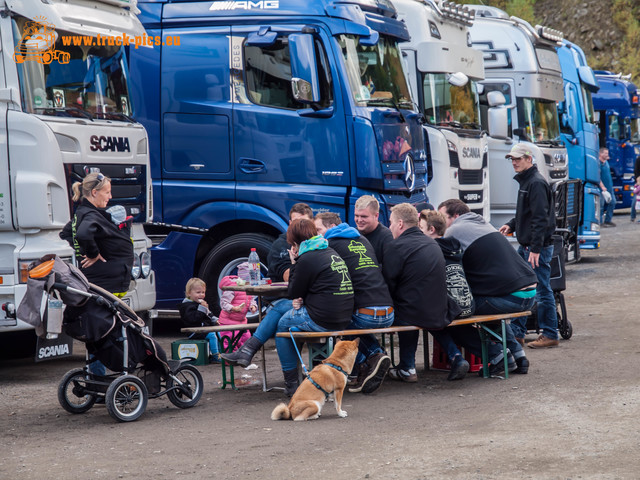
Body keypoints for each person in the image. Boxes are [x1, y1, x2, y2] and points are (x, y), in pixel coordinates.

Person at [222, 218, 354, 396]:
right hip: (342, 315)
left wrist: (294, 262)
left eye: (292, 243)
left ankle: (291, 383)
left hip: (324, 318)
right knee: (285, 307)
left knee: (283, 324)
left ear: (296, 244)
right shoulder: (327, 250)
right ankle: (248, 351)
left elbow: (293, 291)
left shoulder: (307, 258)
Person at [439, 199, 538, 373]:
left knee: (453, 316)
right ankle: (519, 357)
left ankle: (497, 357)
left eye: (442, 218)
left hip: (511, 297)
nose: (440, 223)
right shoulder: (485, 225)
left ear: (455, 216)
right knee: (491, 314)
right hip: (529, 293)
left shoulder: (454, 230)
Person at [222, 204, 314, 373]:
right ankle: (290, 380)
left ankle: (249, 351)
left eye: (303, 223)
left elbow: (298, 281)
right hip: (287, 297)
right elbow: (290, 278)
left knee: (281, 315)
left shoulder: (317, 245)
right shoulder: (282, 245)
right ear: (289, 223)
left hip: (311, 302)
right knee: (281, 310)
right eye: (295, 223)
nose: (299, 228)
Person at [60, 172, 134, 376]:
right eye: (107, 192)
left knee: (97, 329)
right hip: (105, 283)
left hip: (98, 280)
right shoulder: (91, 215)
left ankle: (97, 375)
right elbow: (83, 234)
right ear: (94, 192)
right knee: (109, 329)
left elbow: (66, 234)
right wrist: (92, 253)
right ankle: (119, 371)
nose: (110, 197)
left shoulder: (81, 213)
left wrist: (83, 250)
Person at [314, 212, 393, 393]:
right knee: (349, 320)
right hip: (389, 311)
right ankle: (364, 369)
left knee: (338, 320)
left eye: (318, 230)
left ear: (331, 228)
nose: (316, 234)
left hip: (366, 314)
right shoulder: (363, 240)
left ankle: (374, 355)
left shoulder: (330, 245)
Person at [382, 203, 461, 382]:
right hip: (440, 309)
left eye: (391, 222)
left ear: (400, 224)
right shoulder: (432, 243)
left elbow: (388, 284)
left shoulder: (396, 247)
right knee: (417, 308)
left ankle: (403, 366)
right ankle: (455, 356)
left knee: (395, 311)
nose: (389, 227)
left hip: (413, 312)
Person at [499, 144, 559, 348]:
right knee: (521, 287)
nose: (514, 162)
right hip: (529, 246)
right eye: (512, 159)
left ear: (529, 159)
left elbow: (540, 218)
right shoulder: (528, 182)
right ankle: (517, 333)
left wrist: (535, 248)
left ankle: (550, 334)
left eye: (517, 158)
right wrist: (511, 225)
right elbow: (526, 213)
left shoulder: (535, 183)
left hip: (535, 248)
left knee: (541, 290)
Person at [178, 278, 221, 363]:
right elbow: (194, 319)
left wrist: (215, 320)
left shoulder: (199, 304)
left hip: (203, 328)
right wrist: (202, 308)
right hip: (194, 331)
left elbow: (209, 314)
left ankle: (221, 353)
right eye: (198, 292)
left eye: (203, 292)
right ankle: (215, 355)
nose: (201, 295)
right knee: (212, 335)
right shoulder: (186, 306)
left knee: (218, 331)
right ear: (189, 293)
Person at [217, 262, 257, 351]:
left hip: (241, 321)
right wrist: (233, 308)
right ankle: (229, 359)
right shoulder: (233, 288)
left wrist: (253, 306)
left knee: (246, 338)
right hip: (227, 321)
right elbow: (223, 303)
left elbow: (251, 299)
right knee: (229, 341)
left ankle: (242, 356)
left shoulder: (248, 287)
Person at [354, 195, 394, 266]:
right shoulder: (353, 235)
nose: (359, 220)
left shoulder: (387, 238)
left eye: (364, 216)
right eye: (356, 216)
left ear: (376, 216)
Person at [599, 147, 616, 227]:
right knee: (601, 205)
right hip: (602, 188)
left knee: (613, 202)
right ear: (600, 154)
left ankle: (608, 220)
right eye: (605, 153)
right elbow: (597, 176)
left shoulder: (606, 162)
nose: (607, 155)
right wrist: (602, 186)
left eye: (607, 153)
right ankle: (600, 222)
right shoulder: (598, 163)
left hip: (609, 187)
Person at [631, 155, 640, 222]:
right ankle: (632, 216)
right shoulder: (638, 159)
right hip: (639, 183)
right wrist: (638, 180)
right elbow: (636, 170)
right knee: (635, 201)